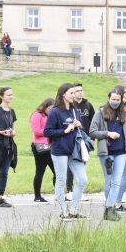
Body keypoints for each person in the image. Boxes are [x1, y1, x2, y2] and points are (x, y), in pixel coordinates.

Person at [44, 82, 88, 220]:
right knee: (61, 180)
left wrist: (79, 125)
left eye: (75, 93)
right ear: (63, 94)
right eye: (71, 93)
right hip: (60, 151)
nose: (74, 95)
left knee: (82, 180)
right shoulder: (55, 111)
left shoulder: (75, 111)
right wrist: (65, 130)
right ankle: (63, 212)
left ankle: (74, 211)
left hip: (74, 151)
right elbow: (47, 132)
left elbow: (80, 131)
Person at [90, 88, 126, 221]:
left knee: (116, 181)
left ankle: (110, 208)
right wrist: (107, 133)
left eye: (117, 100)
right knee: (109, 181)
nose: (115, 102)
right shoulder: (100, 112)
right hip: (106, 153)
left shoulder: (124, 113)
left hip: (121, 152)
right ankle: (109, 209)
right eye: (113, 99)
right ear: (108, 98)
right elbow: (92, 131)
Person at [66, 84, 96, 201]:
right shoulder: (71, 107)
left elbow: (94, 123)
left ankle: (79, 191)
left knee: (82, 164)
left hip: (85, 140)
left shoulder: (88, 105)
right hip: (73, 139)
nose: (79, 93)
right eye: (77, 91)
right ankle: (70, 190)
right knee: (71, 165)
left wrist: (92, 139)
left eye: (81, 90)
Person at [29, 97, 55, 203]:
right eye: (50, 108)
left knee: (57, 172)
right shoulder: (37, 115)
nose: (51, 110)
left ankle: (59, 194)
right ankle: (37, 196)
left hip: (51, 146)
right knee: (40, 171)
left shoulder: (50, 116)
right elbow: (36, 131)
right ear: (45, 106)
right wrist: (50, 131)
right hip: (40, 146)